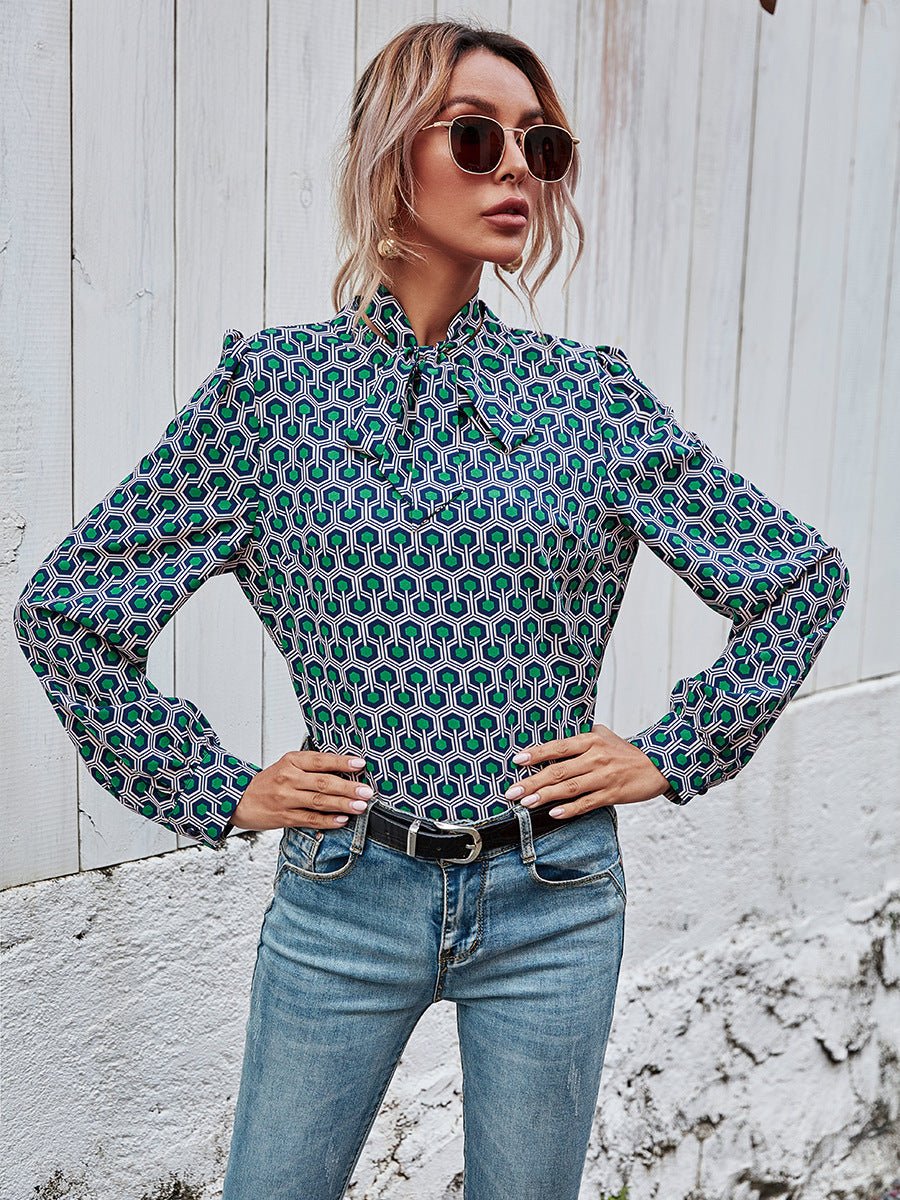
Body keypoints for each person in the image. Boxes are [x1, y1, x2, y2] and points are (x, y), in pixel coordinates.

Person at [13, 19, 849, 1200]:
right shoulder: (273, 396)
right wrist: (214, 786)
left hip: (554, 898)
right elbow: (69, 611)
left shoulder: (587, 399)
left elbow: (798, 577)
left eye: (540, 146)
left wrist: (675, 750)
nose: (516, 169)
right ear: (389, 152)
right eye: (475, 136)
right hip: (346, 894)